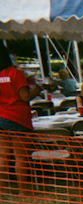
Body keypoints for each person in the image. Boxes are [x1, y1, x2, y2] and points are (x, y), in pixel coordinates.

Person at [0, 43, 36, 195]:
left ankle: (2, 190)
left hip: (1, 117)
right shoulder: (15, 73)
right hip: (18, 118)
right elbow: (25, 96)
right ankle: (24, 191)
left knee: (3, 157)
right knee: (20, 157)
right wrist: (37, 89)